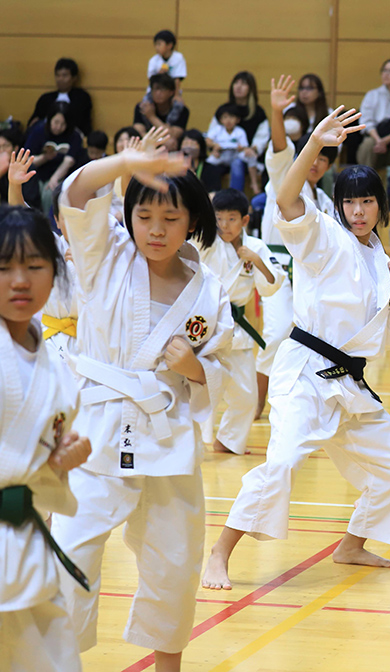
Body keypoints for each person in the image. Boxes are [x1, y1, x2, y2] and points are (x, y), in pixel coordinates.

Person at [202, 104, 390, 590]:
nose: (359, 211)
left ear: (380, 206)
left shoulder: (378, 256)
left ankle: (352, 544)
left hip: (349, 381)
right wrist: (315, 145)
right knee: (281, 464)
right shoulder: (324, 236)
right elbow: (285, 198)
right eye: (351, 202)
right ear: (339, 206)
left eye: (368, 202)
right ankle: (219, 553)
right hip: (305, 371)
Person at [50, 133, 233, 672]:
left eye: (171, 219)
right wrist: (123, 162)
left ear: (193, 222)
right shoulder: (104, 255)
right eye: (145, 215)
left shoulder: (209, 291)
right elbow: (77, 194)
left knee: (175, 564)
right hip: (93, 434)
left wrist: (192, 367)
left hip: (167, 437)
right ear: (129, 216)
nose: (156, 229)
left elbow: (221, 368)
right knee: (70, 559)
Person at [0, 204, 93, 672]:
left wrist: (57, 461)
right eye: (3, 267)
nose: (20, 280)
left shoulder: (55, 364)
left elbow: (25, 459)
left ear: (55, 272)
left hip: (23, 544)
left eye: (34, 266)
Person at [254, 75, 337, 419]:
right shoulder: (285, 182)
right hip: (275, 267)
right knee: (275, 334)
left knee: (308, 339)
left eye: (322, 159)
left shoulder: (326, 202)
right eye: (311, 156)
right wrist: (277, 112)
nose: (315, 163)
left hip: (308, 276)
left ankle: (302, 404)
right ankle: (256, 404)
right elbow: (279, 150)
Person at [198, 189, 283, 454]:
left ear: (245, 220)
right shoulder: (206, 242)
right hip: (205, 325)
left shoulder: (255, 247)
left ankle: (227, 441)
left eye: (231, 219)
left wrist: (256, 260)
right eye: (219, 218)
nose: (224, 225)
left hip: (237, 330)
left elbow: (272, 284)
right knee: (204, 391)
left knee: (247, 397)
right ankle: (196, 444)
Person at [8, 152, 80, 366]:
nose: (77, 222)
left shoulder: (109, 252)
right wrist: (14, 185)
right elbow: (23, 217)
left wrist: (88, 264)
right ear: (57, 221)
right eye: (69, 217)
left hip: (93, 342)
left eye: (83, 214)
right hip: (50, 339)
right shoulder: (53, 245)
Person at [207, 72, 270, 193]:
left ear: (251, 89)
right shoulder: (223, 110)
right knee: (209, 166)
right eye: (236, 83)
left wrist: (252, 149)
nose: (238, 87)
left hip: (243, 156)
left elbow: (262, 138)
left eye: (243, 84)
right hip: (222, 153)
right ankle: (212, 200)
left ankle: (235, 199)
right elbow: (212, 133)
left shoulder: (258, 112)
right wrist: (214, 147)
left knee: (237, 163)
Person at [23, 102, 85, 216]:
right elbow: (26, 160)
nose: (59, 127)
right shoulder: (39, 131)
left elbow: (69, 161)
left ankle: (48, 225)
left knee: (50, 192)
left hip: (60, 175)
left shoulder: (74, 136)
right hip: (37, 173)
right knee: (31, 191)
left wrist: (54, 178)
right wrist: (45, 157)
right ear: (50, 119)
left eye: (63, 124)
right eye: (56, 122)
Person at [28, 58, 93, 135]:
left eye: (64, 75)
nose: (60, 79)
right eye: (58, 75)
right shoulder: (45, 99)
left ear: (74, 78)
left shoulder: (82, 98)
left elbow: (84, 123)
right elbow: (33, 121)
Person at [205, 103, 260, 193]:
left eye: (231, 117)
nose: (228, 120)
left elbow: (244, 146)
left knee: (251, 156)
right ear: (220, 120)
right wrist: (215, 146)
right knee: (207, 164)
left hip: (235, 155)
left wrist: (242, 149)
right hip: (220, 155)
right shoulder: (217, 129)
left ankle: (254, 182)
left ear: (237, 119)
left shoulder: (240, 131)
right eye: (225, 117)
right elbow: (208, 141)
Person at [133, 73, 189, 147]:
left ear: (171, 92)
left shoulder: (181, 110)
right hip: (146, 145)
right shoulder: (142, 107)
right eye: (155, 89)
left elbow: (173, 135)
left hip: (168, 147)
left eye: (162, 89)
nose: (158, 93)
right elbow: (138, 131)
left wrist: (151, 117)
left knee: (171, 143)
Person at [0, 129, 42, 209]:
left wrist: (14, 184)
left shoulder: (26, 167)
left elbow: (29, 204)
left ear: (15, 148)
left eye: (6, 146)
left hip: (26, 214)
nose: (1, 150)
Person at [146, 29, 187, 96]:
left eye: (159, 44)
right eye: (155, 45)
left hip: (172, 92)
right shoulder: (153, 60)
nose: (157, 47)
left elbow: (177, 79)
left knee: (178, 105)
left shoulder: (178, 58)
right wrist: (159, 74)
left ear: (169, 45)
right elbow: (150, 79)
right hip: (154, 93)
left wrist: (176, 96)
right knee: (143, 105)